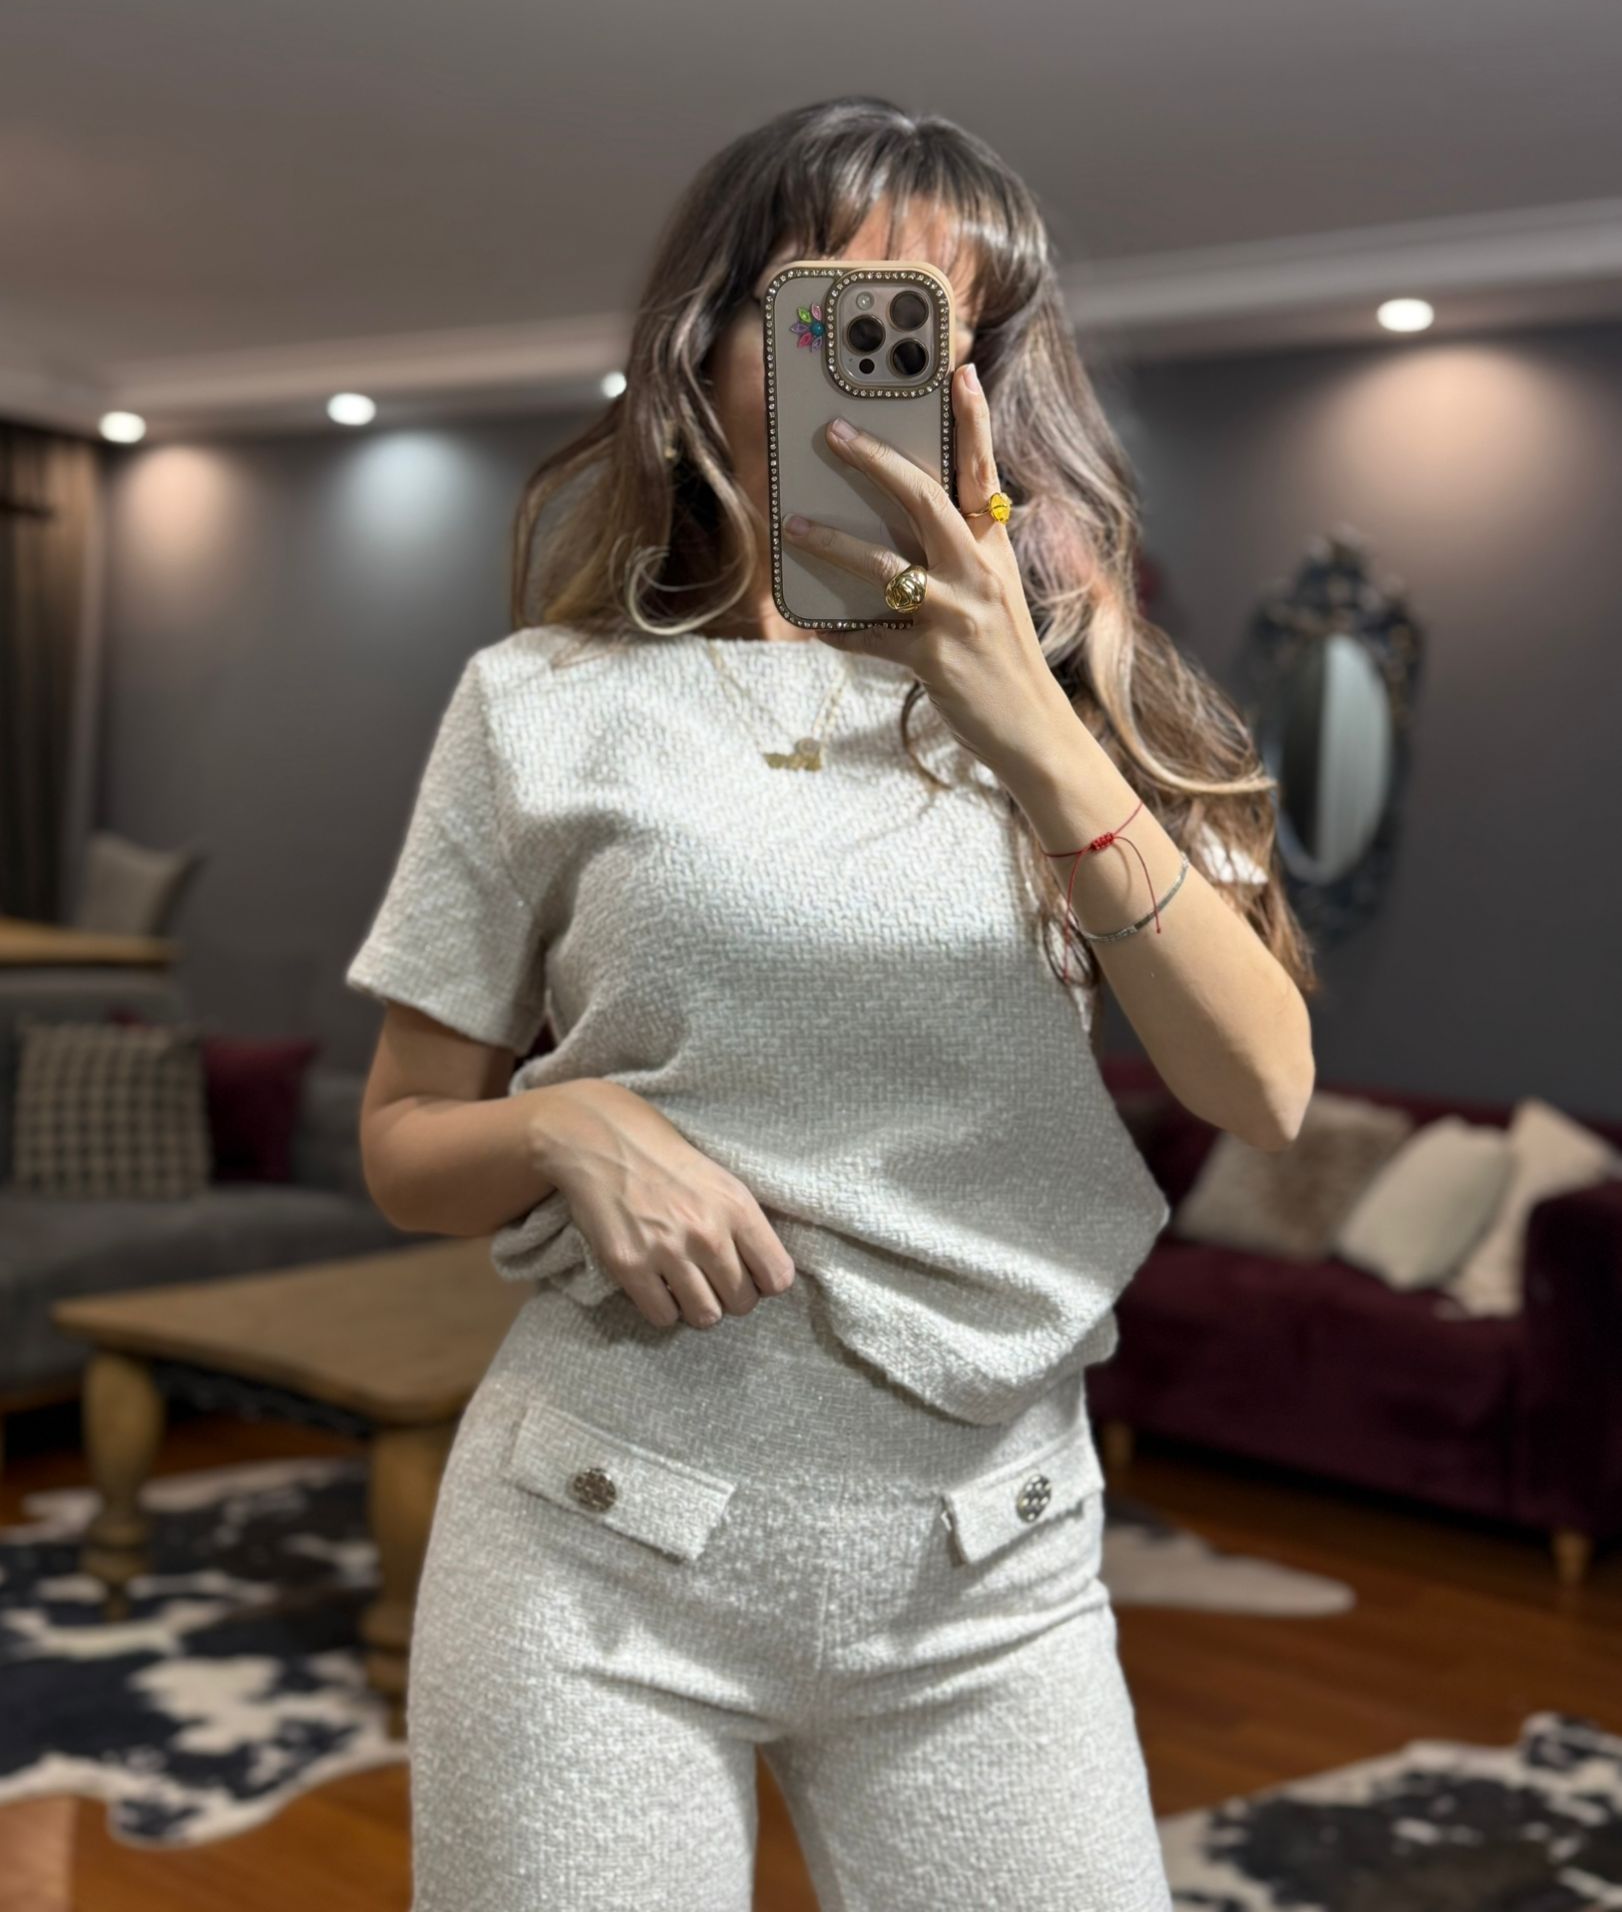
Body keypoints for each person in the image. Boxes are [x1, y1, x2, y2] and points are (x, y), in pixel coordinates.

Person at [346, 94, 1318, 1912]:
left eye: (940, 334)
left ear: (993, 389)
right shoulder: (539, 704)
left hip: (992, 1575)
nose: (882, 377)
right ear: (706, 347)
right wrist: (565, 1124)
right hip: (593, 1550)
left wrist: (1025, 726)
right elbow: (403, 1148)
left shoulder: (1094, 709)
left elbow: (1259, 1087)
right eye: (834, 321)